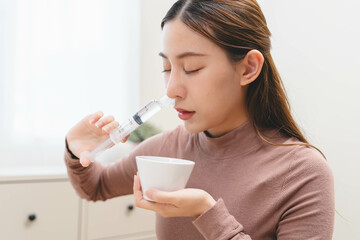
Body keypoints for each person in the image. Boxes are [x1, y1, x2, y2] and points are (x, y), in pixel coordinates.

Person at [64, 0, 335, 239]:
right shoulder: (167, 149)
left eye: (191, 68)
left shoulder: (303, 174)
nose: (171, 90)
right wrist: (75, 151)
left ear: (248, 68)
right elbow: (96, 186)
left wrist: (207, 213)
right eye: (167, 68)